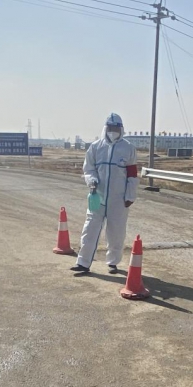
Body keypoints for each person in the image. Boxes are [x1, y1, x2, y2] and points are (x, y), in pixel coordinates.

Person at [71, 113, 138, 274]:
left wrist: (130, 196)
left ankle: (113, 262)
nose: (113, 131)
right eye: (110, 127)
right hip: (97, 197)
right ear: (105, 128)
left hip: (118, 199)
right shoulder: (95, 147)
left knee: (116, 232)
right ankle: (83, 262)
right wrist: (92, 181)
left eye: (116, 128)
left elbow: (132, 175)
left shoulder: (128, 148)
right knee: (90, 229)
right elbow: (89, 169)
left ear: (121, 129)